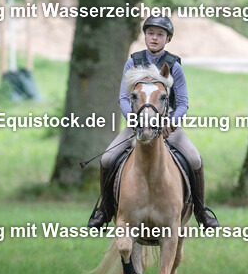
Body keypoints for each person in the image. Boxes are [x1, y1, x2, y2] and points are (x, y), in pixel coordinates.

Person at [87, 16, 220, 228]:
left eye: (160, 35)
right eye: (151, 33)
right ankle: (104, 210)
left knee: (195, 159)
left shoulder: (174, 65)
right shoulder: (132, 62)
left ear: (168, 39)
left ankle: (201, 210)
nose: (154, 38)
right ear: (145, 36)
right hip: (137, 125)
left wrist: (172, 122)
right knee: (107, 158)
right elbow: (123, 97)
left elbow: (183, 102)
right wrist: (132, 118)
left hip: (167, 127)